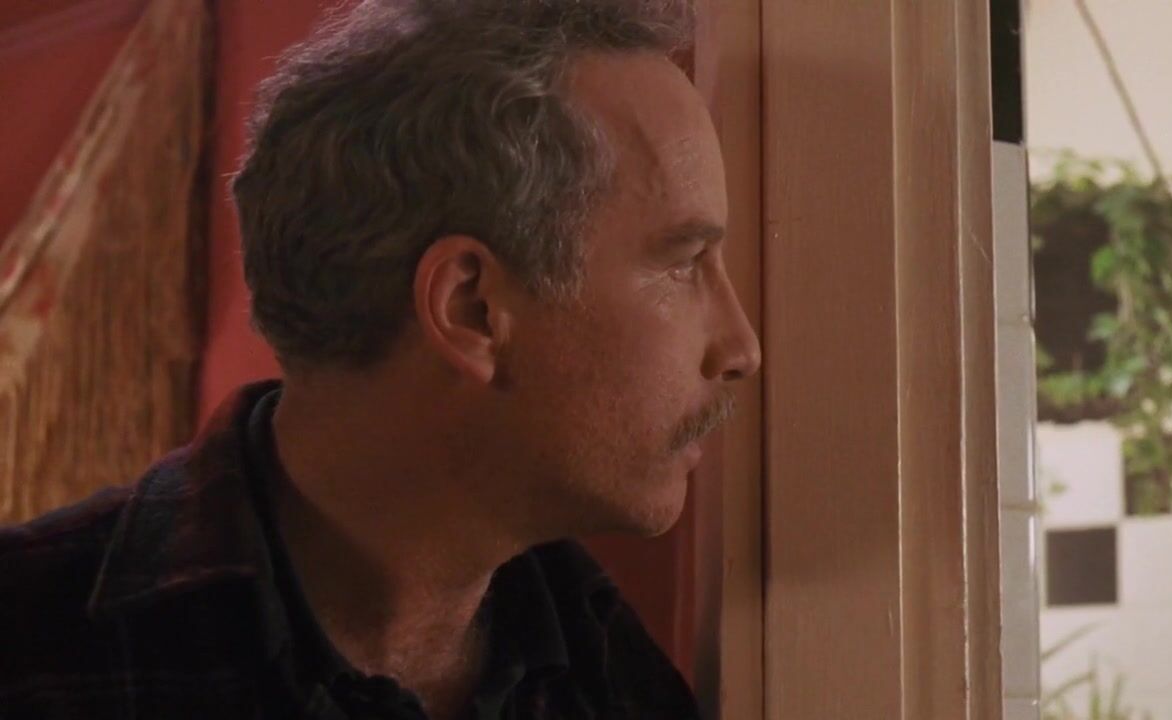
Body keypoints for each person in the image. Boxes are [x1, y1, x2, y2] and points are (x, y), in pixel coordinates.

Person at [0, 0, 761, 717]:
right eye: (682, 264)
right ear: (469, 308)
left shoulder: (612, 677)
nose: (741, 348)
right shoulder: (30, 644)